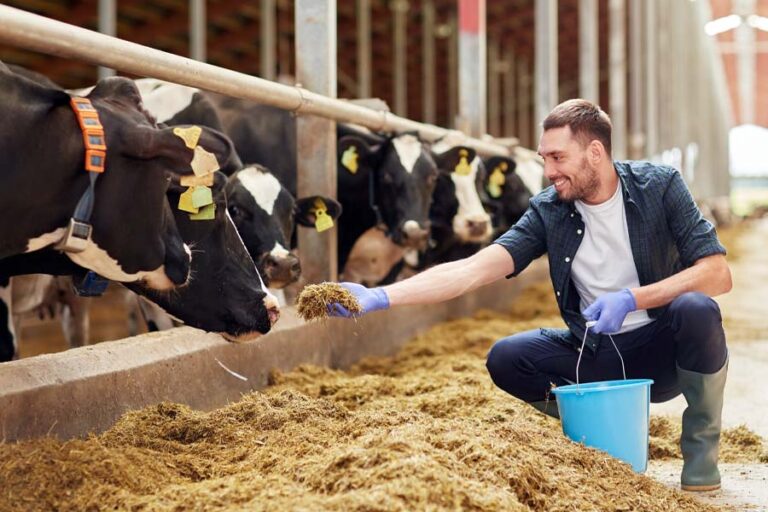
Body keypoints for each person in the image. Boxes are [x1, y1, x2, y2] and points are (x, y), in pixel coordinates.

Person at [327, 99, 731, 492]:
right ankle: (602, 423)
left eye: (557, 158)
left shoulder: (659, 187)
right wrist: (381, 296)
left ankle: (699, 455)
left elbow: (717, 273)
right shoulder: (549, 210)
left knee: (697, 308)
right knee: (506, 358)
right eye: (544, 159)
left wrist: (633, 299)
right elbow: (472, 269)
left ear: (595, 152)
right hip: (594, 352)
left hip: (664, 353)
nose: (548, 171)